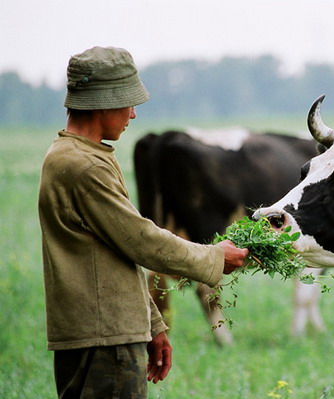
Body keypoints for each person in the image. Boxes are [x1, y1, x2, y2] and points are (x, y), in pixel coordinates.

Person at [38, 46, 249, 399]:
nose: (134, 114)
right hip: (106, 339)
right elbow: (141, 240)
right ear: (103, 102)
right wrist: (213, 258)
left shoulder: (80, 156)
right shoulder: (85, 167)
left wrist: (151, 324)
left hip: (108, 331)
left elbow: (118, 253)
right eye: (128, 102)